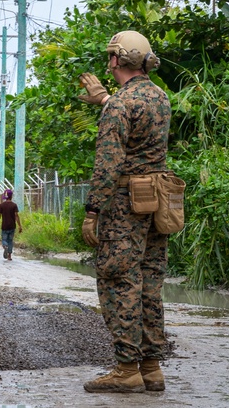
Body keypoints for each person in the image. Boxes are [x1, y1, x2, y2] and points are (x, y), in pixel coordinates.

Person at [78, 31, 171, 394]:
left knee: (119, 280)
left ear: (117, 60)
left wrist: (93, 211)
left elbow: (109, 163)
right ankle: (150, 367)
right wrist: (105, 99)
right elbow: (138, 126)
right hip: (156, 200)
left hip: (124, 205)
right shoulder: (160, 98)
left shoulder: (119, 104)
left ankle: (125, 368)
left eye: (110, 56)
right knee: (149, 281)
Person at [0, 189, 22, 261]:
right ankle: (9, 256)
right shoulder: (14, 205)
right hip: (12, 226)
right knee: (10, 240)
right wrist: (20, 226)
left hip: (4, 226)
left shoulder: (1, 205)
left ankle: (5, 246)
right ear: (11, 196)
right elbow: (16, 215)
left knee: (4, 239)